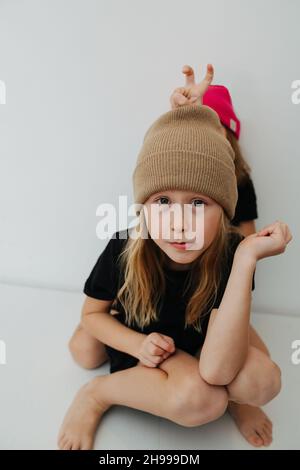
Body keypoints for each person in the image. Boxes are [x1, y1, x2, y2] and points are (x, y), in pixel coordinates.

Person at [57, 66, 292, 450]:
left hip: (201, 336)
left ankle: (237, 401)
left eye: (198, 203)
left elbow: (218, 367)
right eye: (162, 201)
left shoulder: (233, 249)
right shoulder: (125, 246)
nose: (180, 224)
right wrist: (135, 345)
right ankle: (96, 394)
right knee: (85, 352)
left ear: (226, 210)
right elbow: (92, 313)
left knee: (260, 380)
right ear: (143, 206)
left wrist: (247, 258)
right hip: (147, 337)